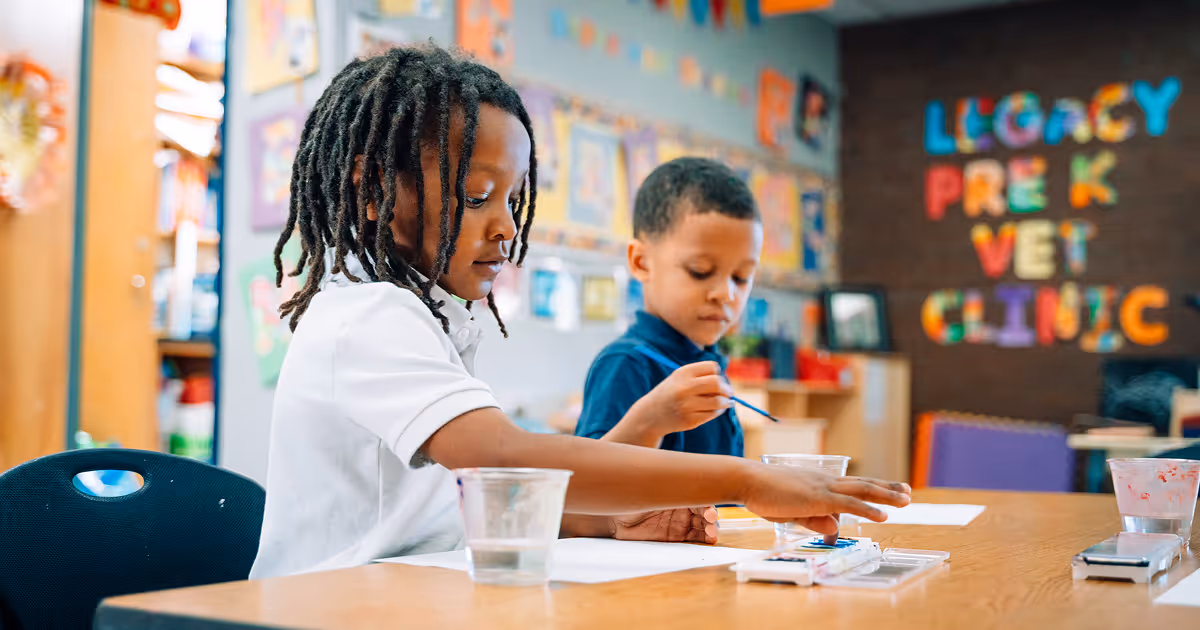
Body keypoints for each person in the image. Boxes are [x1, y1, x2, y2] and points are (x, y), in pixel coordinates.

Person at [250, 44, 910, 579]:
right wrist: (752, 480)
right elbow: (502, 458)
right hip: (328, 609)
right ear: (371, 189)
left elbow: (477, 506)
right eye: (478, 195)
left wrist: (608, 518)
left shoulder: (425, 318)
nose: (506, 228)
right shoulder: (364, 317)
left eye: (513, 199)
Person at [575, 157, 758, 456]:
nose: (726, 294)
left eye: (741, 277)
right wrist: (648, 423)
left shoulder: (707, 361)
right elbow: (584, 488)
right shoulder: (626, 363)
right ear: (641, 262)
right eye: (700, 270)